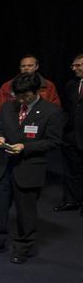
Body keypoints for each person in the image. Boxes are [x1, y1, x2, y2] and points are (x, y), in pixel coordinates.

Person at [0, 73, 64, 263]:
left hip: (29, 167)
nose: (21, 100)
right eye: (18, 96)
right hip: (4, 166)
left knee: (26, 212)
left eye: (25, 96)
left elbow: (54, 142)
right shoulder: (9, 106)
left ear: (36, 91)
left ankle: (23, 247)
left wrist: (25, 147)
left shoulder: (51, 111)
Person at [0, 55, 60, 125]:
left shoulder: (47, 85)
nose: (26, 68)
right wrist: (3, 129)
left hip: (40, 125)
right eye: (23, 66)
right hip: (13, 127)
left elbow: (55, 108)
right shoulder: (8, 86)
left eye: (30, 66)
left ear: (36, 67)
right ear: (20, 68)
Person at [55, 53, 83, 213]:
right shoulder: (71, 85)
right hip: (71, 136)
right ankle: (71, 200)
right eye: (73, 65)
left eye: (78, 65)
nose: (74, 68)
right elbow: (67, 109)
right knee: (71, 171)